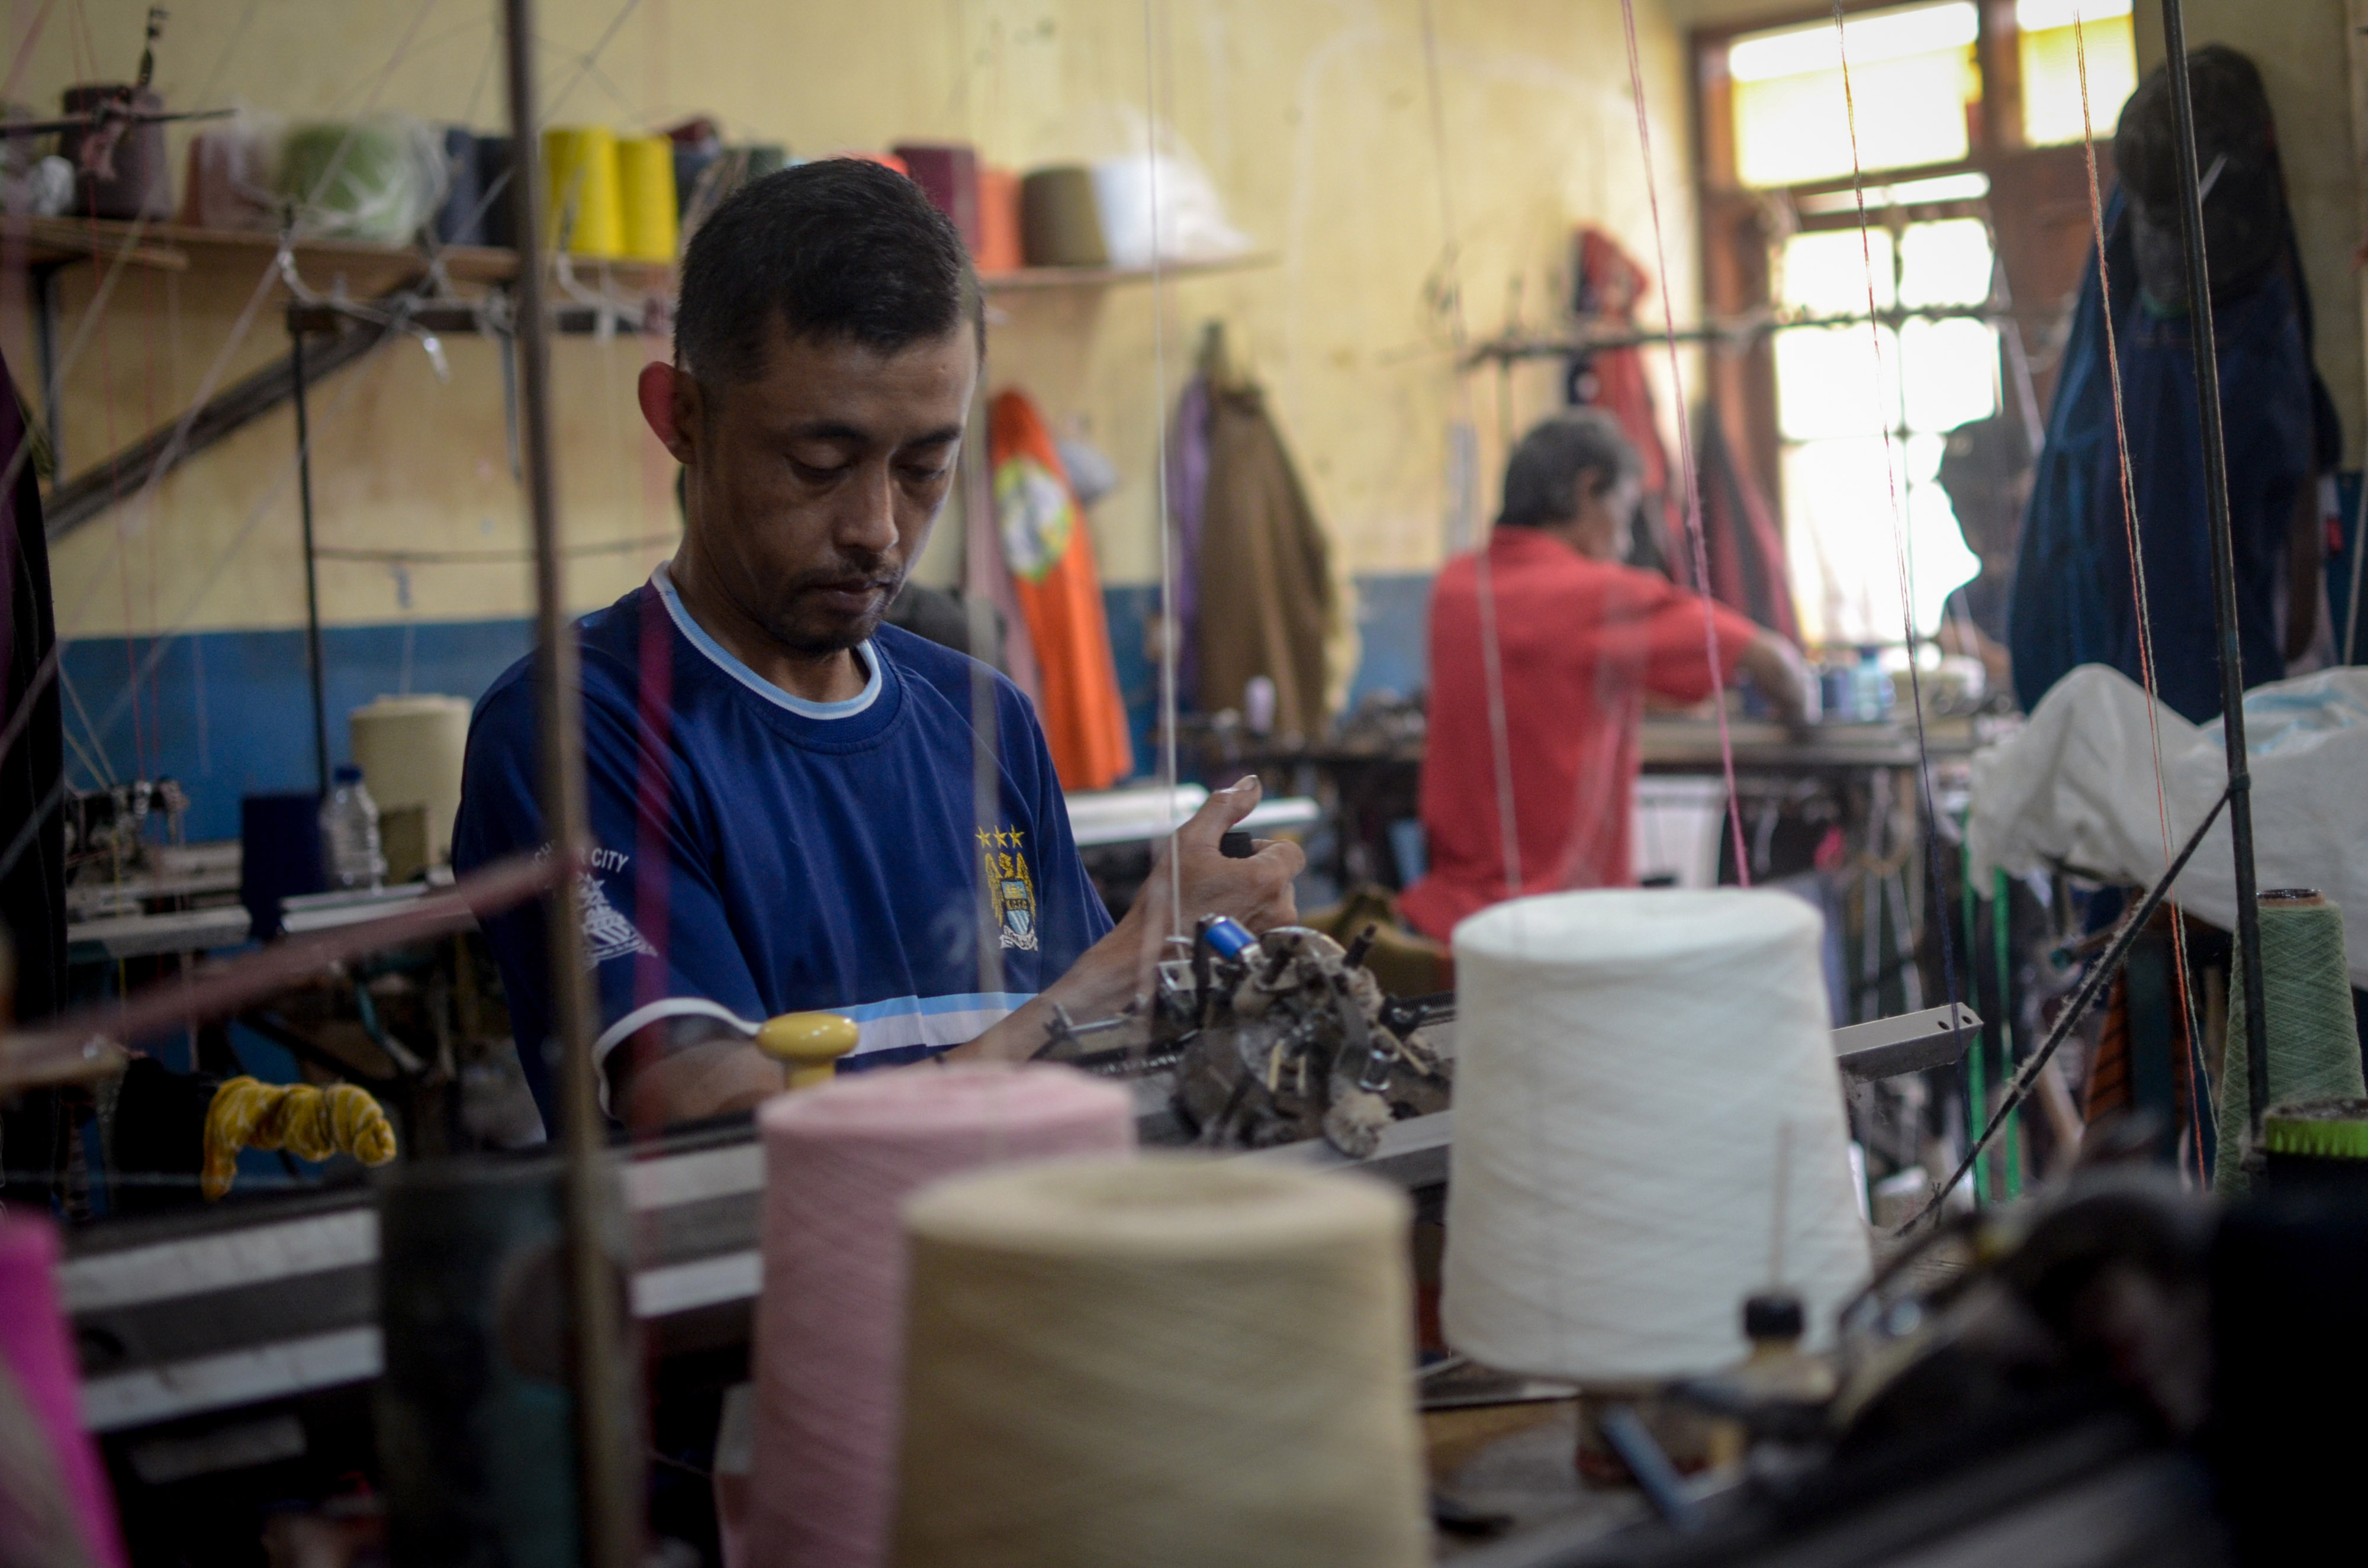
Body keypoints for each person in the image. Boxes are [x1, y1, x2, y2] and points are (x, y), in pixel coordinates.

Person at [452, 160, 1300, 1131]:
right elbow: (723, 1137)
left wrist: (1194, 971)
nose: (879, 529)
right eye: (821, 464)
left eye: (924, 467)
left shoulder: (985, 719)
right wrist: (1112, 971)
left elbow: (1078, 1059)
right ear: (683, 418)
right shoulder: (576, 729)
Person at [1398, 411, 1812, 941]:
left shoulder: (1455, 586)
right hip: (1562, 926)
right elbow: (1772, 661)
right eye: (1628, 507)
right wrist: (1800, 709)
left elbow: (1544, 679)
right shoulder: (1596, 595)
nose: (1625, 540)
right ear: (1588, 490)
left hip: (1448, 924)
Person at [1935, 414, 2032, 694]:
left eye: (1979, 504)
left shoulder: (2061, 590)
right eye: (1958, 504)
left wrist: (1984, 654)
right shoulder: (1962, 601)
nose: (1967, 520)